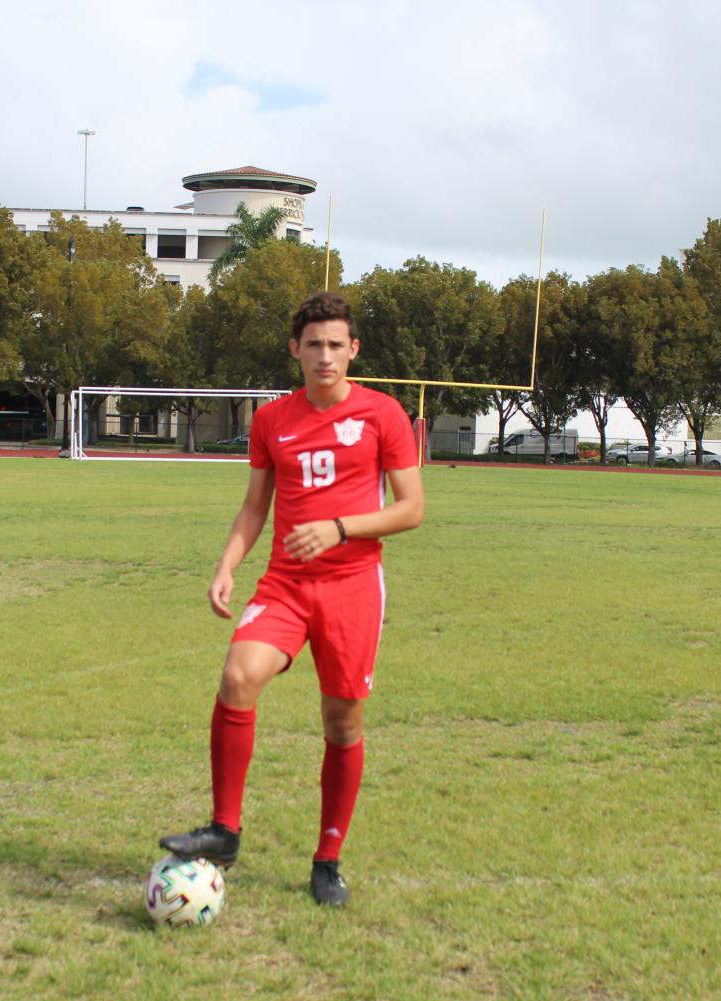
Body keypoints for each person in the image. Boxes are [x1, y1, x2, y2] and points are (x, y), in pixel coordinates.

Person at [160, 290, 425, 906]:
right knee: (237, 677)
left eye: (336, 344)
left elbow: (411, 509)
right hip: (284, 584)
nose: (325, 356)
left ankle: (327, 859)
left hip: (353, 588)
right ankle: (224, 831)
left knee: (342, 723)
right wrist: (227, 565)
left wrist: (339, 528)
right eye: (314, 345)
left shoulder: (384, 415)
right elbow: (256, 507)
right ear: (295, 351)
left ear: (353, 350)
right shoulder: (272, 419)